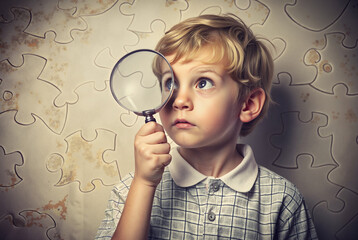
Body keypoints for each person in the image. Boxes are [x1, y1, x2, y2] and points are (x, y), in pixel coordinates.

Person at [95, 14, 318, 239]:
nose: (178, 100)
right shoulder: (132, 189)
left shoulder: (283, 201)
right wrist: (144, 184)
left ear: (248, 104)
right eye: (170, 83)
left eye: (203, 82)